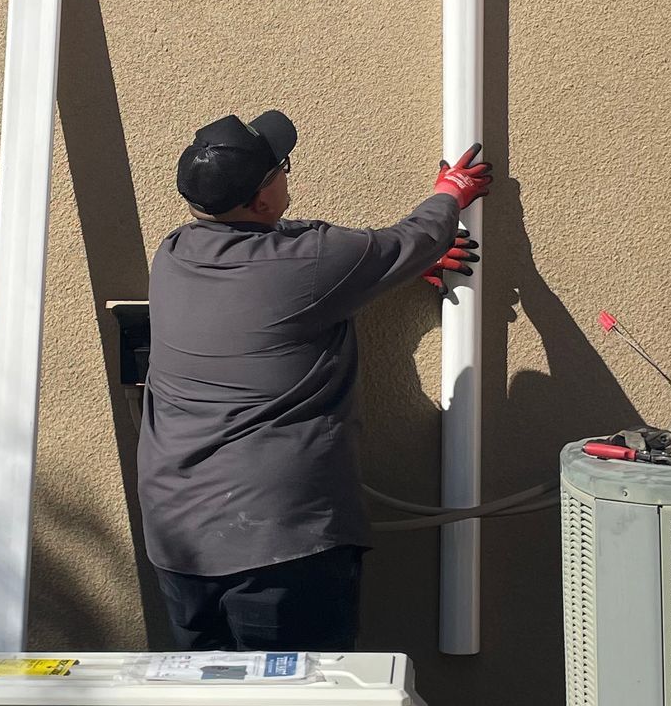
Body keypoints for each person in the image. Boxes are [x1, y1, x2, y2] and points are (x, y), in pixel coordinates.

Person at [137, 108, 492, 653]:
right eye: (282, 167)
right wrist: (451, 192)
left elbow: (308, 257)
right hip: (280, 543)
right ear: (260, 199)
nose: (287, 174)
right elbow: (414, 236)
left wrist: (383, 270)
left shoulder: (174, 254)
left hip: (180, 538)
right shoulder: (313, 262)